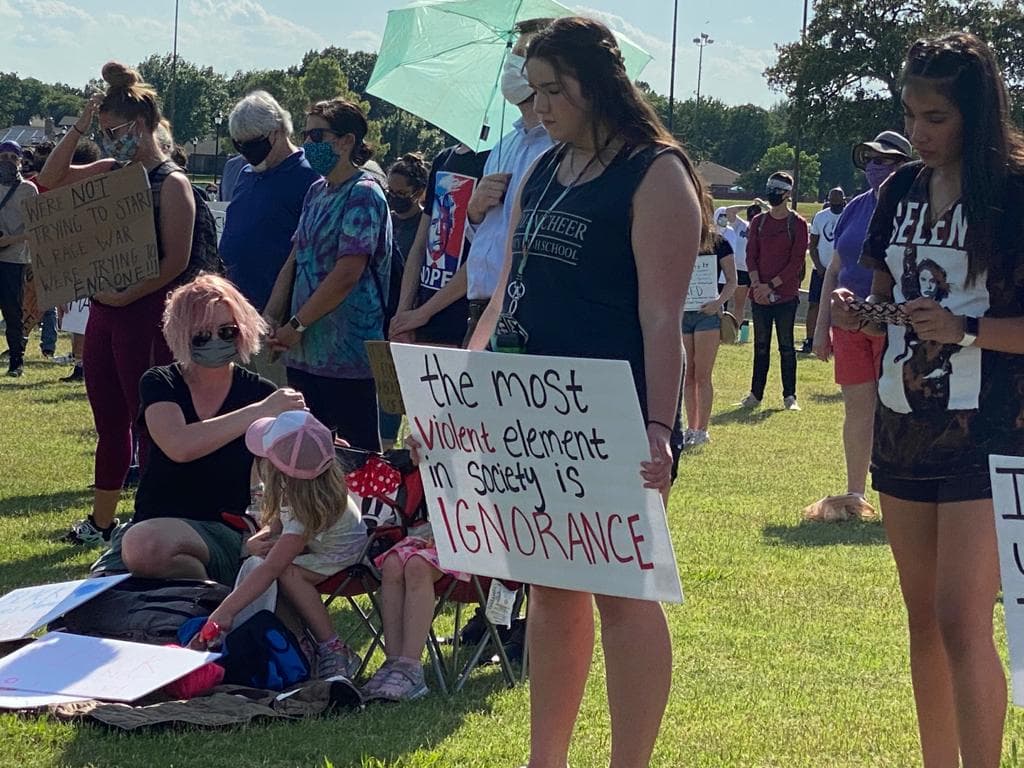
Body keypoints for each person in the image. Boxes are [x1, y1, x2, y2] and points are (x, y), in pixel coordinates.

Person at [467, 17, 707, 767]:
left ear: (596, 84)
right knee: (550, 590)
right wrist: (461, 388)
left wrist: (660, 427)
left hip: (613, 413)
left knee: (624, 595)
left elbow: (662, 316)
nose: (540, 109)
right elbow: (506, 291)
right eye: (533, 92)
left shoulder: (655, 172)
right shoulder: (542, 170)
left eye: (552, 91)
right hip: (531, 410)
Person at [832, 32, 1024, 767]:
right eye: (910, 115)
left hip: (991, 430)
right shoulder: (900, 190)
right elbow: (888, 299)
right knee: (924, 622)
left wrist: (966, 329)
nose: (918, 132)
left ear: (977, 113)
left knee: (962, 620)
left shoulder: (1013, 192)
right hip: (904, 423)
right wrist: (861, 313)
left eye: (936, 117)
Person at [38, 62, 200, 545]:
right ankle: (103, 522)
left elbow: (176, 261)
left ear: (144, 124)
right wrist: (81, 127)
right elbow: (49, 180)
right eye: (104, 133)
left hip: (146, 317)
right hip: (106, 314)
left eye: (117, 132)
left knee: (149, 420)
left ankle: (153, 518)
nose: (111, 142)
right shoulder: (112, 171)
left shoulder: (172, 182)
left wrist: (126, 294)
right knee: (108, 421)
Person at [91, 274, 306, 584]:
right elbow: (179, 446)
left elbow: (291, 477)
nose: (216, 341)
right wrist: (259, 412)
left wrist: (267, 530)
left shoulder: (261, 393)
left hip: (223, 531)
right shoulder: (161, 382)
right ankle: (206, 595)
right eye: (201, 335)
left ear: (244, 329)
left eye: (227, 331)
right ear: (180, 335)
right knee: (98, 590)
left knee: (143, 546)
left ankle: (210, 599)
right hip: (155, 524)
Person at [190, 409, 364, 680]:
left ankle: (332, 646)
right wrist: (262, 537)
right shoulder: (301, 487)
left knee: (283, 573)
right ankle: (297, 642)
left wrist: (224, 613)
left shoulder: (307, 507)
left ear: (276, 468)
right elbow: (279, 524)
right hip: (316, 549)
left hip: (343, 558)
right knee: (266, 567)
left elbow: (272, 567)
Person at [263, 98, 392, 451]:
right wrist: (271, 317)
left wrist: (296, 326)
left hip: (347, 356)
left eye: (317, 135)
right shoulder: (316, 191)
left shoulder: (364, 193)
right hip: (304, 355)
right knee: (304, 455)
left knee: (356, 459)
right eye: (306, 134)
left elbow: (348, 273)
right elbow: (295, 259)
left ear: (346, 141)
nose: (308, 143)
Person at [808, 131, 912, 523]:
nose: (873, 167)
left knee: (895, 409)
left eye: (883, 160)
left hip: (894, 325)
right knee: (858, 410)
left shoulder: (913, 206)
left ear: (904, 165)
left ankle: (899, 494)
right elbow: (835, 269)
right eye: (869, 160)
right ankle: (856, 493)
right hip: (848, 324)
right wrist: (822, 328)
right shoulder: (854, 207)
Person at [463, 18, 555, 343]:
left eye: (522, 55)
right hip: (480, 310)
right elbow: (483, 236)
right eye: (511, 55)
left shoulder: (561, 151)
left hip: (524, 311)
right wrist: (474, 211)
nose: (511, 66)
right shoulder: (504, 145)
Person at [221, 91, 321, 386]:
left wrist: (282, 315)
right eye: (238, 145)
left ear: (277, 132)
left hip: (277, 324)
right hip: (237, 314)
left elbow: (304, 252)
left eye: (251, 144)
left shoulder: (309, 176)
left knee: (278, 400)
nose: (245, 152)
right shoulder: (245, 173)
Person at [359, 505, 470, 701]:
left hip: (474, 549)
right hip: (432, 539)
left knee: (418, 565)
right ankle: (394, 662)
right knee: (393, 562)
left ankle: (410, 667)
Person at [389, 141, 488, 346]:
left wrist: (423, 313)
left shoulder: (495, 159)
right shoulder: (444, 158)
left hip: (462, 319)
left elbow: (483, 258)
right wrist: (403, 316)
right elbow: (419, 246)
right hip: (424, 318)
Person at [739, 171, 809, 411]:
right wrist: (757, 285)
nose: (773, 195)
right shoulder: (758, 222)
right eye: (771, 190)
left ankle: (790, 396)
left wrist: (771, 285)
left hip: (786, 296)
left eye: (778, 191)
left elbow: (796, 262)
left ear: (788, 194)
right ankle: (755, 394)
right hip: (759, 295)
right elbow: (751, 255)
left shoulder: (797, 224)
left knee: (786, 347)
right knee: (760, 346)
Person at [379, 153, 430, 450]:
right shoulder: (387, 220)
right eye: (391, 191)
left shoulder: (424, 226)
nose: (394, 198)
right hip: (382, 312)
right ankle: (385, 449)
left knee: (405, 388)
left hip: (410, 316)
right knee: (385, 388)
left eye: (401, 193)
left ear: (418, 191)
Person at [682, 213, 737, 446]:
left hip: (708, 314)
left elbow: (732, 280)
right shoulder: (677, 240)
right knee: (687, 374)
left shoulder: (719, 243)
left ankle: (702, 430)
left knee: (702, 374)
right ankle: (690, 427)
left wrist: (718, 303)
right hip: (683, 313)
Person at [0, 140, 39, 378]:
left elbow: (35, 228)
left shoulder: (28, 190)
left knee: (13, 312)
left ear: (20, 161)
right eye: (3, 157)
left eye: (12, 157)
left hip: (14, 258)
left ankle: (17, 360)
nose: (7, 162)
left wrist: (9, 240)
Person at [802, 187, 846, 353]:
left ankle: (837, 343)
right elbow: (813, 245)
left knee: (841, 307)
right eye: (833, 203)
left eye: (839, 204)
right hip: (820, 270)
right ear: (828, 201)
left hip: (842, 272)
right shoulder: (820, 217)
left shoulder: (848, 215)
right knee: (814, 305)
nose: (836, 207)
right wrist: (819, 266)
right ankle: (810, 340)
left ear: (844, 201)